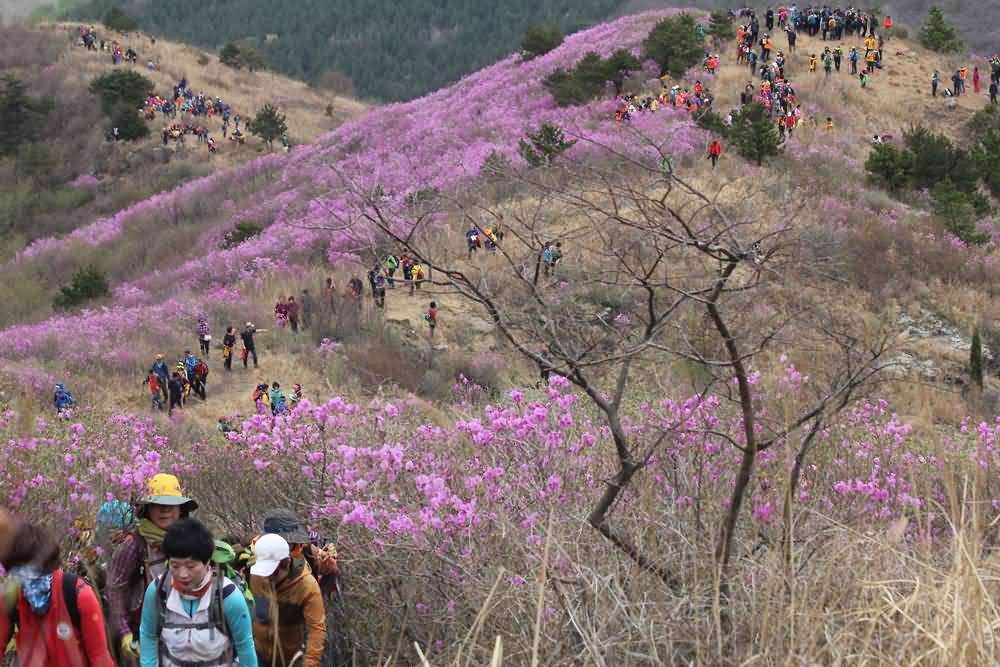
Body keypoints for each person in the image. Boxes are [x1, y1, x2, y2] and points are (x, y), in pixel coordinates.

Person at [138, 518, 258, 667]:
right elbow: (148, 635)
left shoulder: (227, 596)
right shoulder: (158, 590)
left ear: (207, 562)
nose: (183, 574)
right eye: (175, 566)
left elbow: (244, 646)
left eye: (191, 566)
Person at [108, 474, 198, 663]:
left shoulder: (193, 541)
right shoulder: (134, 544)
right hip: (144, 634)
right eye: (158, 505)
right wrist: (124, 632)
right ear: (148, 509)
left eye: (170, 505)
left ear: (181, 509)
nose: (164, 510)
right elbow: (115, 587)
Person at [0, 521, 116, 667]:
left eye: (31, 570)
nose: (26, 579)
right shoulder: (11, 599)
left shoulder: (78, 594)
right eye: (18, 571)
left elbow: (100, 658)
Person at [249, 533, 325, 667]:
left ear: (287, 562)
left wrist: (310, 663)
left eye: (272, 572)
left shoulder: (306, 586)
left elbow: (316, 629)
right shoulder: (255, 575)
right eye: (264, 571)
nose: (267, 578)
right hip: (257, 655)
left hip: (290, 659)